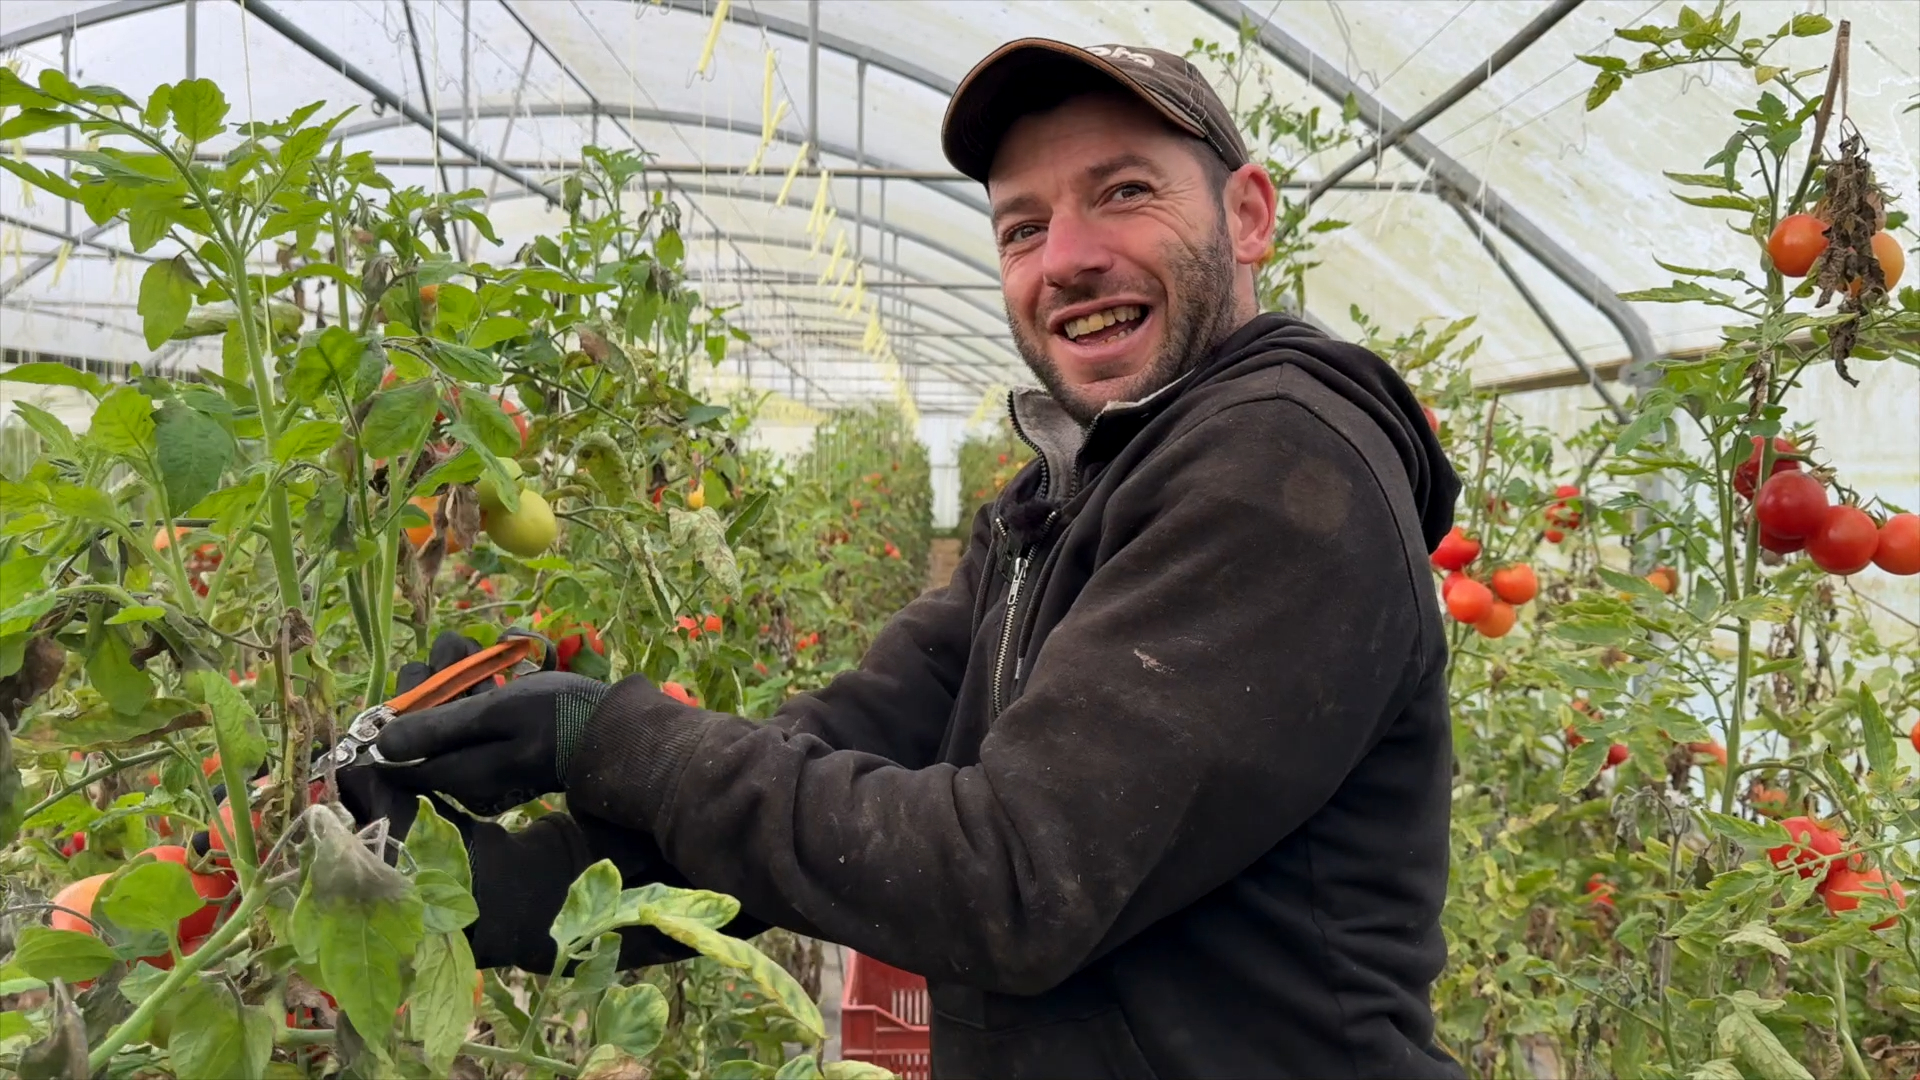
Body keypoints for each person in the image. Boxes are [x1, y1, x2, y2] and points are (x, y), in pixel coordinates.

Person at [341, 39, 1465, 1080]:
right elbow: (836, 753)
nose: (1067, 258)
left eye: (1124, 192)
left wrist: (607, 737)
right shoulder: (1057, 502)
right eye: (1022, 227)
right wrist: (490, 884)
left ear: (1247, 215)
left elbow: (1012, 879)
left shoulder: (1280, 468)